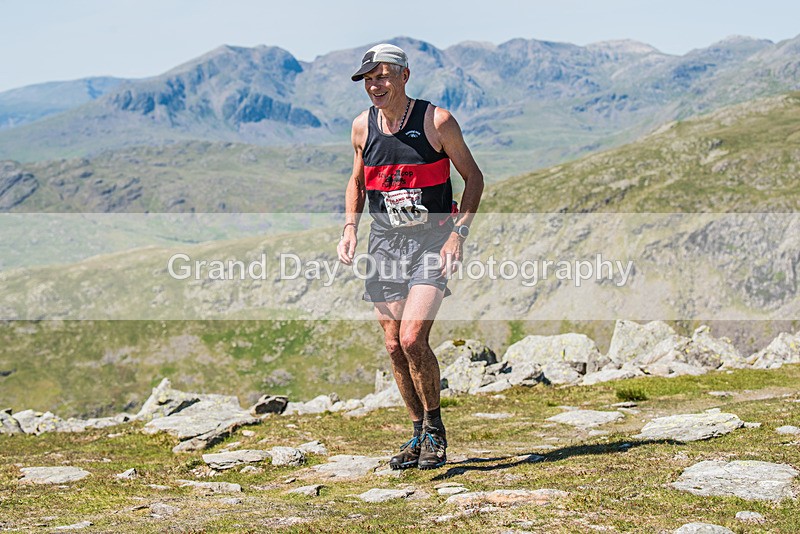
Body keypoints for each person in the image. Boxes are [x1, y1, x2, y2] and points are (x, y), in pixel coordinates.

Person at [337, 43, 484, 470]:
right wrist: (349, 228)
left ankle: (436, 431)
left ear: (404, 75)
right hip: (383, 244)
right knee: (392, 345)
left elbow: (473, 177)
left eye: (381, 76)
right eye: (368, 79)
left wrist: (459, 234)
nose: (374, 85)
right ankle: (418, 432)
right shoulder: (361, 127)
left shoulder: (437, 121)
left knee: (411, 338)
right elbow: (357, 182)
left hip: (431, 241)